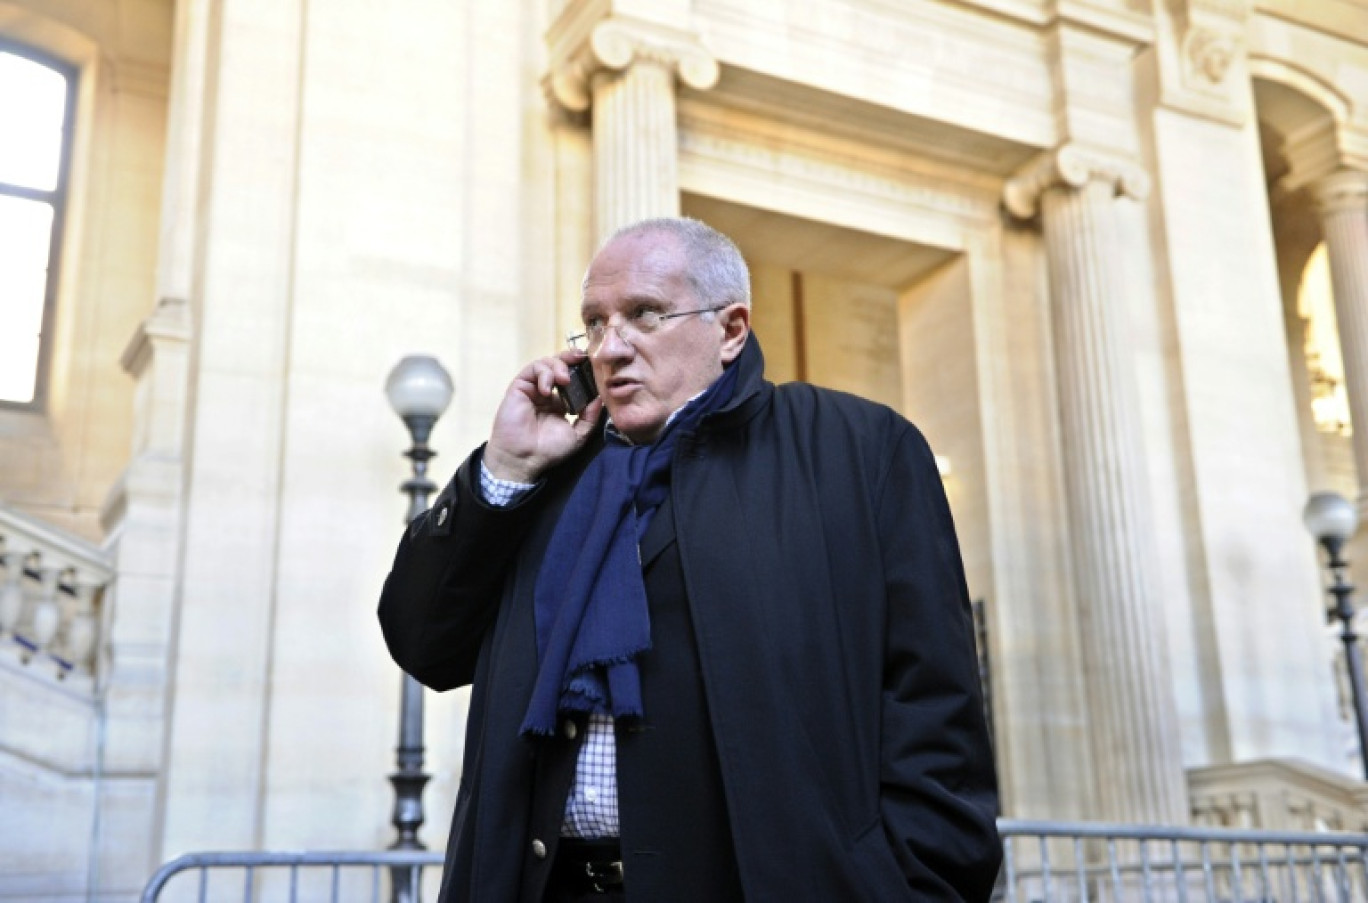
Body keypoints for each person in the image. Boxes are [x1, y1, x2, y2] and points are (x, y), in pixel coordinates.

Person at [378, 217, 1001, 902]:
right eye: (594, 322)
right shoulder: (549, 477)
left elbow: (934, 715)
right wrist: (505, 469)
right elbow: (425, 642)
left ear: (731, 329)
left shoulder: (860, 452)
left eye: (644, 314)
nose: (610, 348)